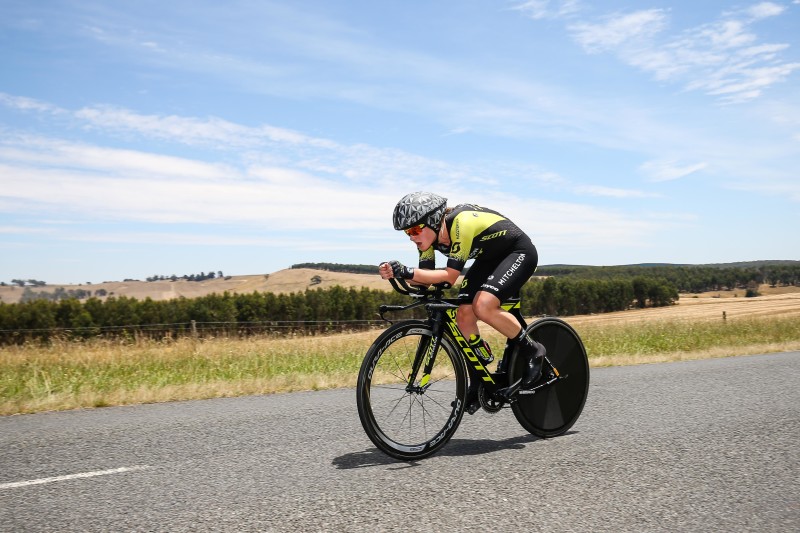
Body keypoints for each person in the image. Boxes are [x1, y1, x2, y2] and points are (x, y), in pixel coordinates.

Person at [379, 191, 545, 410]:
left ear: (433, 221)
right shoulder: (427, 242)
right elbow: (426, 280)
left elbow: (449, 278)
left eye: (416, 229)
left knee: (483, 306)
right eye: (408, 232)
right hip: (489, 258)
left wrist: (408, 271)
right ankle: (478, 381)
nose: (412, 236)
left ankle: (534, 351)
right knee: (463, 316)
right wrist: (397, 273)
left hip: (518, 252)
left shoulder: (461, 223)